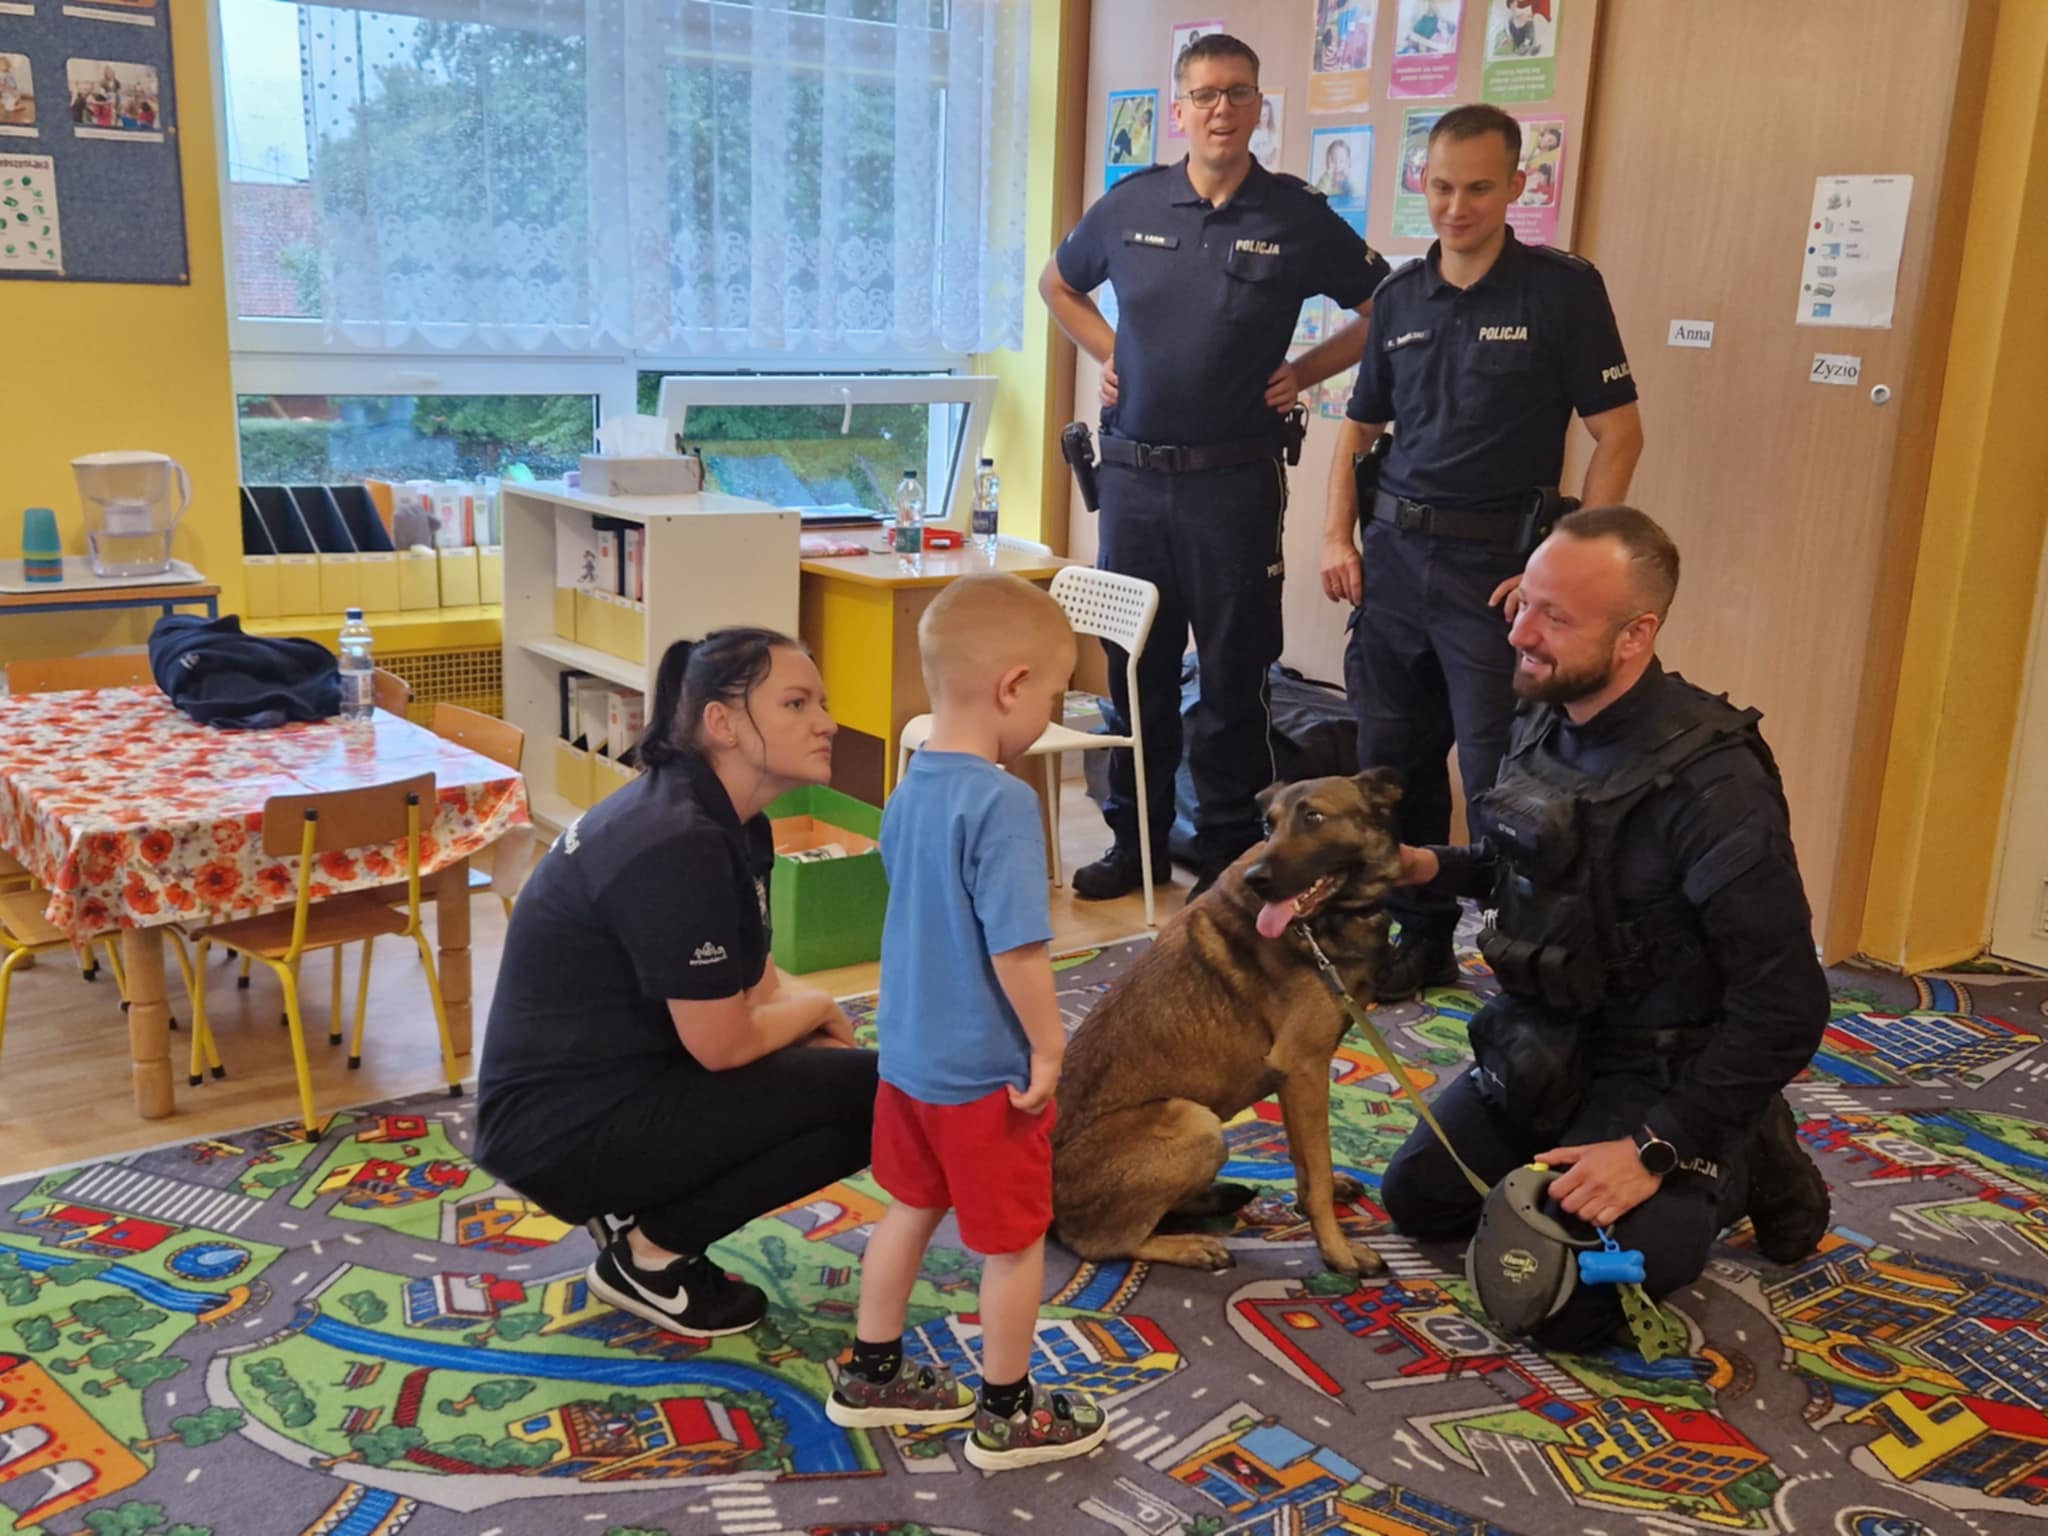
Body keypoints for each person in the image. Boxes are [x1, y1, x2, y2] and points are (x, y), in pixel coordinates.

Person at [1377, 506, 1832, 1350]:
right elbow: (1532, 867)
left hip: (1659, 1073)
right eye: (1523, 602)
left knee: (1568, 1304)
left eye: (1555, 617)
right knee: (1419, 1201)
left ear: (1636, 636)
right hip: (1545, 1042)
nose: (1521, 632)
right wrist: (1421, 867)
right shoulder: (1547, 709)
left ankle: (1745, 1156)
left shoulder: (1715, 787)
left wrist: (1657, 1145)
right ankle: (1595, 1143)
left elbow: (1788, 1006)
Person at [1041, 32, 1393, 902]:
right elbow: (1059, 285)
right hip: (1132, 480)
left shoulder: (1293, 215)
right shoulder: (1131, 203)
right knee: (1137, 673)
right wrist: (1109, 350)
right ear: (1180, 109)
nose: (1221, 109)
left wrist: (1305, 372)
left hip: (1234, 485)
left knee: (1235, 678)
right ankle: (1136, 843)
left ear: (1258, 106)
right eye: (1204, 94)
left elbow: (1384, 304)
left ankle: (1229, 857)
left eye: (1237, 92)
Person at [1323, 103, 1644, 1000]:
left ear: (1515, 188)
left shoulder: (1561, 291)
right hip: (1393, 566)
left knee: (1504, 773)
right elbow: (1358, 427)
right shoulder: (1399, 297)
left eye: (1477, 188)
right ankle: (1420, 938)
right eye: (1440, 188)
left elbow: (1620, 434)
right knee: (1394, 764)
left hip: (1496, 577)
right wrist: (1336, 535)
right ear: (1420, 184)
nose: (1455, 208)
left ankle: (1526, 950)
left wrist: (1563, 568)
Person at [474, 628, 878, 1339]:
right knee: (882, 1093)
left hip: (608, 1083)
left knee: (839, 1076)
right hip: (558, 1131)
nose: (827, 722)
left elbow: (755, 985)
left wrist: (810, 1041)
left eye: (821, 702)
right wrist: (818, 1008)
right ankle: (651, 1256)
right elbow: (724, 1045)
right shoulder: (678, 841)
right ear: (722, 723)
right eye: (796, 704)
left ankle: (640, 1215)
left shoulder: (727, 818)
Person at [826, 574, 1110, 1471]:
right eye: (1053, 695)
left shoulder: (909, 785)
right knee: (1014, 1245)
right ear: (1012, 686)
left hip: (906, 1060)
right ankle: (1008, 1412)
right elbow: (1016, 949)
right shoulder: (1003, 800)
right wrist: (1049, 1046)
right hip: (985, 1076)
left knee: (908, 1208)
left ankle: (871, 1374)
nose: (1048, 713)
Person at [1313, 137, 1358, 202]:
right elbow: (1316, 198)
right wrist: (1328, 175)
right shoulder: (1324, 181)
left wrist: (1346, 178)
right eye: (1333, 160)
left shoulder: (1348, 185)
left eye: (1341, 161)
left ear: (1348, 163)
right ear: (1327, 163)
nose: (1337, 165)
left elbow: (1353, 197)